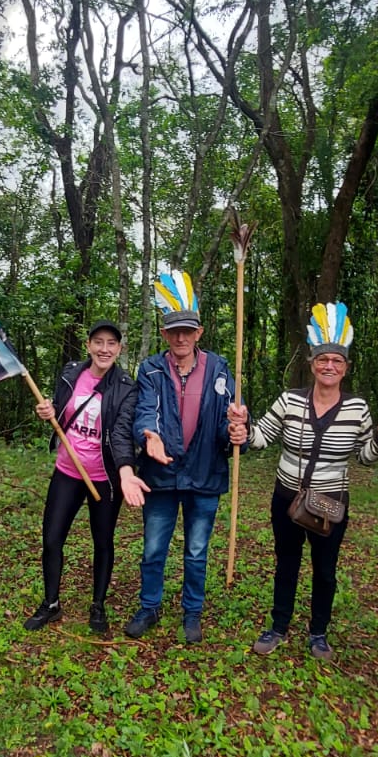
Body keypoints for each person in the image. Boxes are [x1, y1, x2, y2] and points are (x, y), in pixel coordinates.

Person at [228, 303, 378, 662]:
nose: (329, 366)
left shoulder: (356, 408)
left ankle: (318, 633)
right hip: (286, 497)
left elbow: (365, 455)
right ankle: (278, 626)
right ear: (312, 363)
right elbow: (261, 436)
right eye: (322, 359)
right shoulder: (290, 400)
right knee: (286, 562)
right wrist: (241, 428)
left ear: (345, 367)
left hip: (330, 504)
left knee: (325, 570)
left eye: (337, 361)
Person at [120, 271, 236, 646]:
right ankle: (149, 606)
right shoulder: (151, 368)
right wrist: (149, 436)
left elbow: (224, 423)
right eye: (174, 331)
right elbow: (146, 410)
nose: (181, 338)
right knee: (154, 547)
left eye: (187, 330)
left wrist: (237, 431)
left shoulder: (219, 368)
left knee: (197, 550)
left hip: (204, 474)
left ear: (199, 332)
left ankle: (192, 611)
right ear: (165, 333)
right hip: (161, 476)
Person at [24, 320, 138, 635]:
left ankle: (98, 606)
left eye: (111, 343)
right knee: (51, 539)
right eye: (98, 342)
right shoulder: (71, 372)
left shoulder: (126, 387)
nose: (104, 349)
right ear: (88, 345)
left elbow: (121, 432)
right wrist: (50, 410)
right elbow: (61, 409)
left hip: (104, 478)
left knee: (102, 542)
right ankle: (50, 604)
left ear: (119, 349)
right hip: (67, 472)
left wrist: (127, 468)